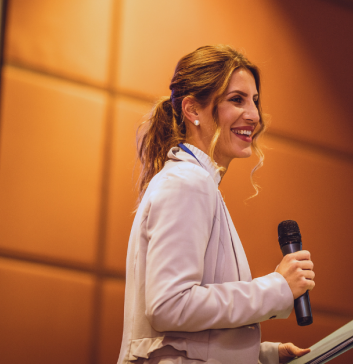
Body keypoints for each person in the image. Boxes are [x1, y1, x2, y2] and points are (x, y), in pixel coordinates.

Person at [118, 45, 316, 364]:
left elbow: (182, 338)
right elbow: (170, 306)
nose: (253, 115)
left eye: (254, 101)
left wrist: (262, 355)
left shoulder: (196, 182)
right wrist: (277, 287)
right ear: (193, 110)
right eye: (236, 99)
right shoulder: (187, 182)